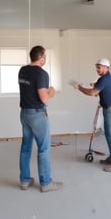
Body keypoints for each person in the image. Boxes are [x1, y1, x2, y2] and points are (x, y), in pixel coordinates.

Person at [18, 45, 63, 192]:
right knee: (43, 149)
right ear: (41, 57)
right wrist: (52, 91)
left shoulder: (22, 70)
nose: (45, 60)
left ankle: (24, 180)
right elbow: (44, 98)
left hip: (24, 113)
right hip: (37, 114)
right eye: (45, 57)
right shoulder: (42, 73)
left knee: (25, 148)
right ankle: (45, 183)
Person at [74, 58, 111, 172]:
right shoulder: (106, 78)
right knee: (109, 135)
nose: (97, 69)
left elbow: (92, 93)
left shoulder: (104, 79)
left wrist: (80, 88)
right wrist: (95, 85)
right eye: (96, 67)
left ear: (106, 67)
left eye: (99, 67)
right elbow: (102, 87)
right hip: (109, 109)